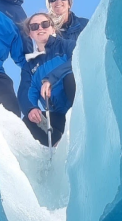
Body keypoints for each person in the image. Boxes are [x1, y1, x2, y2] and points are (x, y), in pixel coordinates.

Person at [18, 12, 76, 146]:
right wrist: (31, 108)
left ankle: (82, 123)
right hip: (58, 116)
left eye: (45, 24)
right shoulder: (29, 66)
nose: (40, 28)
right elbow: (26, 91)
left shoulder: (67, 46)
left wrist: (50, 79)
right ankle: (58, 147)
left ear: (52, 28)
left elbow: (76, 61)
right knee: (29, 120)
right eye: (34, 26)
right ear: (30, 34)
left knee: (69, 77)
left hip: (78, 107)